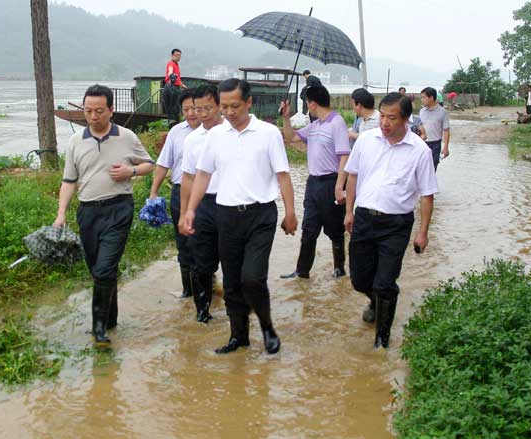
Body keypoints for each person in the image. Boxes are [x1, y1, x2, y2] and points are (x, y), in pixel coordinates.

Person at [183, 78, 298, 355]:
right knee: (232, 281)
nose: (229, 112)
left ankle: (268, 328)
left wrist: (291, 212)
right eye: (224, 107)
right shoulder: (215, 135)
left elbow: (283, 175)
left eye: (235, 106)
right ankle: (239, 337)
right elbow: (203, 175)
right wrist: (190, 210)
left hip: (260, 215)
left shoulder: (268, 133)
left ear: (248, 102)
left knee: (253, 278)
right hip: (226, 215)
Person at [53, 84, 155, 346]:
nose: (93, 116)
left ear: (111, 110)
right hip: (88, 212)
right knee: (99, 270)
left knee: (104, 268)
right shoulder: (76, 142)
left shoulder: (127, 136)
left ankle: (98, 330)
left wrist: (130, 173)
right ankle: (111, 321)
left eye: (99, 110)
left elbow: (148, 165)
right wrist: (61, 213)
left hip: (119, 208)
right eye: (88, 111)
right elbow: (68, 181)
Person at [343, 92, 438, 348]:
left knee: (385, 283)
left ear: (406, 119)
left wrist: (423, 232)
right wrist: (349, 211)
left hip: (396, 225)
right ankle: (375, 301)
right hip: (363, 218)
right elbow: (352, 176)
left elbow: (427, 195)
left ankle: (381, 342)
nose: (384, 123)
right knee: (359, 280)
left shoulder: (420, 151)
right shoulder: (366, 140)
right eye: (382, 116)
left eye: (391, 118)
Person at [280, 85, 350, 279]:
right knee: (309, 228)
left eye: (306, 103)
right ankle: (302, 271)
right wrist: (286, 118)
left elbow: (345, 156)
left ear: (312, 103)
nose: (306, 107)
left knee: (335, 229)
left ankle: (339, 268)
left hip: (331, 182)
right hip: (313, 184)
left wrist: (339, 185)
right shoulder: (315, 125)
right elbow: (291, 137)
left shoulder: (337, 123)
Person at [178, 85, 224, 323]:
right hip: (203, 205)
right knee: (200, 262)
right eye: (197, 109)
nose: (202, 114)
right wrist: (186, 212)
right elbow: (188, 178)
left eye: (207, 108)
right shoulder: (193, 140)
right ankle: (202, 312)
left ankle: (238, 310)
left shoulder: (231, 133)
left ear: (219, 106)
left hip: (230, 203)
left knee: (233, 259)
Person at [150, 89, 200, 299]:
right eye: (185, 109)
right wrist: (154, 191)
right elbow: (163, 163)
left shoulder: (218, 131)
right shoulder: (176, 132)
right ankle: (188, 292)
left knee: (204, 243)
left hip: (208, 196)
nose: (190, 113)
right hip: (180, 193)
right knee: (183, 243)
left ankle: (204, 288)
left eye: (194, 109)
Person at [419, 87, 450, 170]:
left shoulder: (442, 112)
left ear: (431, 98)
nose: (421, 100)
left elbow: (446, 130)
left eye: (423, 97)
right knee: (420, 169)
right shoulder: (422, 111)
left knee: (431, 170)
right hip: (422, 144)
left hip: (435, 145)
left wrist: (446, 147)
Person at [162, 48, 187, 126]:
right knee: (173, 107)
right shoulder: (171, 63)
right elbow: (170, 72)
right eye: (176, 55)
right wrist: (171, 75)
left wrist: (181, 85)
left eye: (179, 55)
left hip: (175, 87)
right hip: (171, 87)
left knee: (175, 107)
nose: (178, 57)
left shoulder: (176, 64)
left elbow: (177, 78)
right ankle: (173, 124)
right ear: (172, 55)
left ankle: (174, 123)